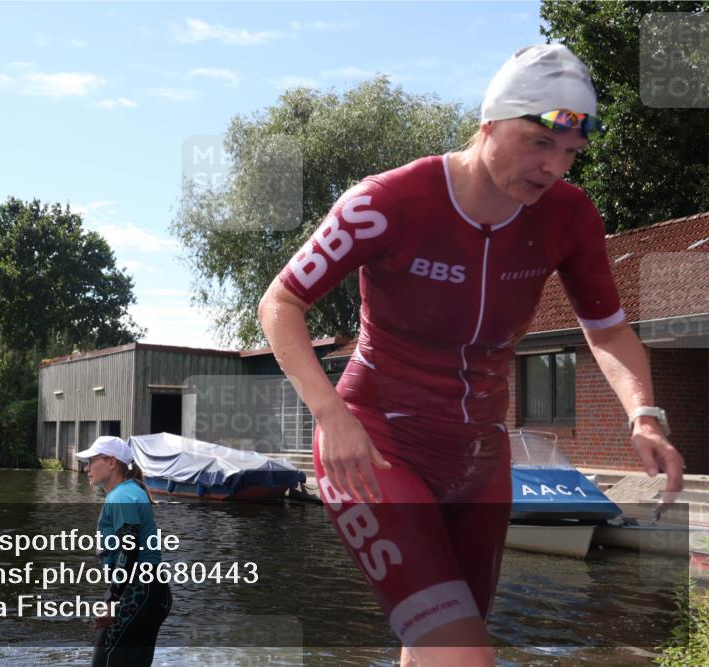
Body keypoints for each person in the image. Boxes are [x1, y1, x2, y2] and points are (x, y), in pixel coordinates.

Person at [257, 44, 685, 667]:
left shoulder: (570, 217)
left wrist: (644, 415)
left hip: (480, 460)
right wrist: (330, 414)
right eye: (539, 142)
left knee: (438, 647)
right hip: (377, 446)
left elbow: (610, 331)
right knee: (463, 655)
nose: (554, 167)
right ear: (490, 122)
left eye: (570, 152)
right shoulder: (386, 201)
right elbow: (280, 303)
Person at [76, 436, 172, 667]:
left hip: (137, 594)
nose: (86, 468)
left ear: (111, 462)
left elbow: (128, 549)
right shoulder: (130, 491)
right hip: (149, 593)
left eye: (92, 461)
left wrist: (112, 599)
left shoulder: (121, 496)